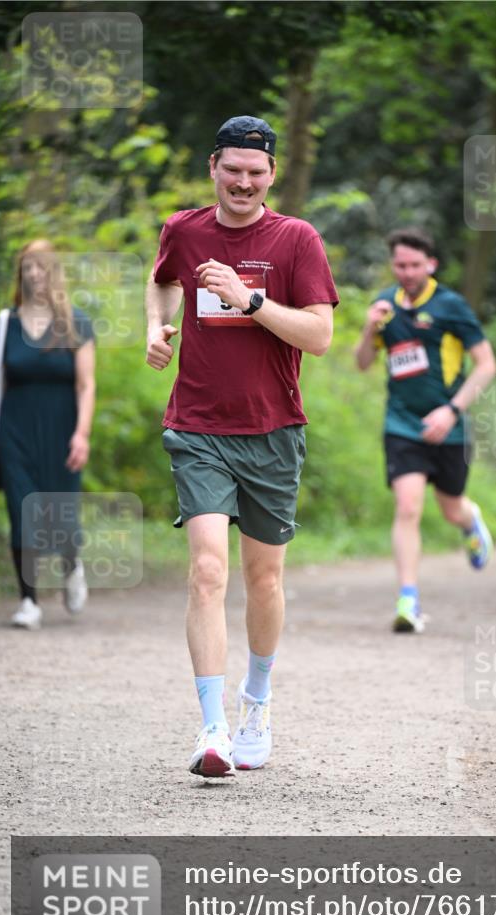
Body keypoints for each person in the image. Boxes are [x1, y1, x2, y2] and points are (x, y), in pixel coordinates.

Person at [146, 115, 338, 778]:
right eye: (233, 170)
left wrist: (247, 299)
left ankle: (256, 700)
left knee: (264, 577)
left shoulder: (295, 240)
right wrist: (159, 326)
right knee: (206, 571)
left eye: (256, 173)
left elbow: (317, 336)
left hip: (273, 431)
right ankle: (213, 729)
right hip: (198, 428)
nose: (244, 183)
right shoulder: (185, 228)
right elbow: (165, 277)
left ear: (272, 174)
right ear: (213, 168)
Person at [355, 228, 496, 634]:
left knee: (451, 507)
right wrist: (369, 329)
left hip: (449, 426)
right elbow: (363, 363)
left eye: (415, 265)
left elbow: (487, 364)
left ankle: (471, 523)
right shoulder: (383, 305)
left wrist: (452, 411)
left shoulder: (451, 306)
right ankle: (408, 599)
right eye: (400, 265)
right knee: (408, 507)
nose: (407, 272)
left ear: (430, 265)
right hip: (401, 424)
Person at [0, 239, 95, 629]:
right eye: (27, 267)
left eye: (42, 266)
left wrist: (82, 433)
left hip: (62, 430)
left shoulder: (76, 322)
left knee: (61, 516)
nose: (34, 274)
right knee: (22, 512)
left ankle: (72, 565)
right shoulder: (5, 325)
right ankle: (29, 601)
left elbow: (86, 385)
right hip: (14, 431)